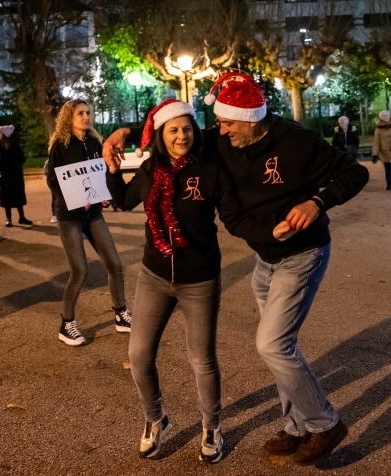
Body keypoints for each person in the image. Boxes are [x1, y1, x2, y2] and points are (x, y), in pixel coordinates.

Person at [104, 72, 369, 466]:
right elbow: (171, 131)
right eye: (219, 124)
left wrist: (317, 202)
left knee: (272, 344)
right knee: (280, 349)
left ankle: (324, 423)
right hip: (265, 259)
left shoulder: (297, 142)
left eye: (226, 123)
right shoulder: (224, 141)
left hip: (301, 254)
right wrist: (120, 134)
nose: (219, 130)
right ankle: (296, 427)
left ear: (250, 119)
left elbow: (355, 173)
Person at [105, 99, 296, 462]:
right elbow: (124, 201)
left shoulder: (210, 170)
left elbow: (234, 218)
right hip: (153, 276)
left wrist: (272, 232)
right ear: (162, 134)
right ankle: (155, 419)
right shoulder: (149, 169)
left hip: (200, 280)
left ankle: (212, 427)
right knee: (139, 354)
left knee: (202, 360)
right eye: (173, 130)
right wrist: (112, 170)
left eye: (187, 129)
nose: (182, 136)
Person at [46, 99, 131, 346]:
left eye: (88, 113)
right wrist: (74, 199)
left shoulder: (94, 142)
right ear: (69, 118)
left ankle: (121, 314)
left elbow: (100, 173)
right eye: (80, 113)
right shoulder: (61, 146)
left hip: (93, 213)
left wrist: (104, 195)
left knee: (115, 264)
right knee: (79, 271)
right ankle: (66, 324)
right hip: (70, 217)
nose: (85, 117)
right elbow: (53, 180)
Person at [0, 125, 32, 227]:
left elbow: (22, 158)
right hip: (5, 176)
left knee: (18, 195)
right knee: (6, 197)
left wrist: (16, 165)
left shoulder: (14, 145)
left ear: (5, 134)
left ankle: (22, 217)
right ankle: (8, 219)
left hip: (15, 175)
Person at [372, 110, 391, 192]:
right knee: (388, 169)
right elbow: (376, 141)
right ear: (381, 118)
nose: (386, 118)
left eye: (387, 116)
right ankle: (389, 185)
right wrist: (374, 154)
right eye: (384, 116)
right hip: (384, 151)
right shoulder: (378, 128)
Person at [43, 158, 57, 223]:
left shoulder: (48, 161)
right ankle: (54, 215)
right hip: (55, 181)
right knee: (55, 198)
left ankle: (55, 215)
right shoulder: (49, 161)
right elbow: (46, 171)